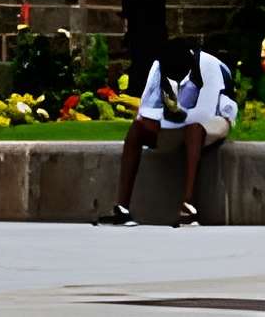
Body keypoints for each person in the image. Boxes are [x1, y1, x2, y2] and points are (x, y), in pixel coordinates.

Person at [96, 38, 236, 226]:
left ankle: (188, 206)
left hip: (215, 116)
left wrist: (168, 118)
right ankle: (122, 208)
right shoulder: (160, 65)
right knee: (137, 128)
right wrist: (158, 121)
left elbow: (204, 113)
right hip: (174, 121)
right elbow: (145, 108)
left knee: (194, 129)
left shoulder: (209, 67)